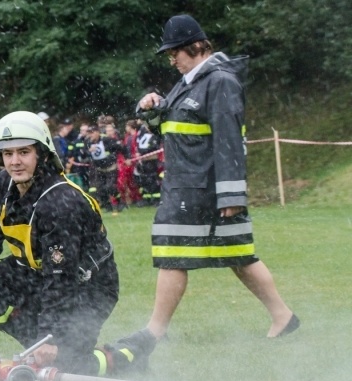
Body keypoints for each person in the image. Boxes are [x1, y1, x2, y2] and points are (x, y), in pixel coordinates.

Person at [113, 14, 299, 361]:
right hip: (186, 186)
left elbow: (230, 141)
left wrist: (231, 195)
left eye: (174, 53)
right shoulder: (188, 82)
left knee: (183, 253)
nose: (171, 60)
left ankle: (155, 330)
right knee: (236, 255)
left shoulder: (221, 81)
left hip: (206, 189)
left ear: (196, 47)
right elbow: (168, 128)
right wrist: (148, 109)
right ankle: (283, 317)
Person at [0, 111, 138, 376]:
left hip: (88, 286)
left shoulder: (60, 203)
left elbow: (61, 279)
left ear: (42, 154)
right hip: (37, 274)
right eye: (8, 154)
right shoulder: (4, 183)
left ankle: (120, 357)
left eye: (24, 152)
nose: (15, 162)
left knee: (69, 366)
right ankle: (36, 348)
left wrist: (50, 337)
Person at [85, 125, 122, 213]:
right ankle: (107, 206)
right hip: (99, 169)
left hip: (110, 167)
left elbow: (118, 148)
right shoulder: (88, 142)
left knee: (110, 187)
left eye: (92, 133)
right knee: (100, 189)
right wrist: (89, 151)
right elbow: (84, 152)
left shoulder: (106, 140)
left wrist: (111, 156)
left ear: (97, 132)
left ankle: (120, 202)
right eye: (89, 133)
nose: (91, 135)